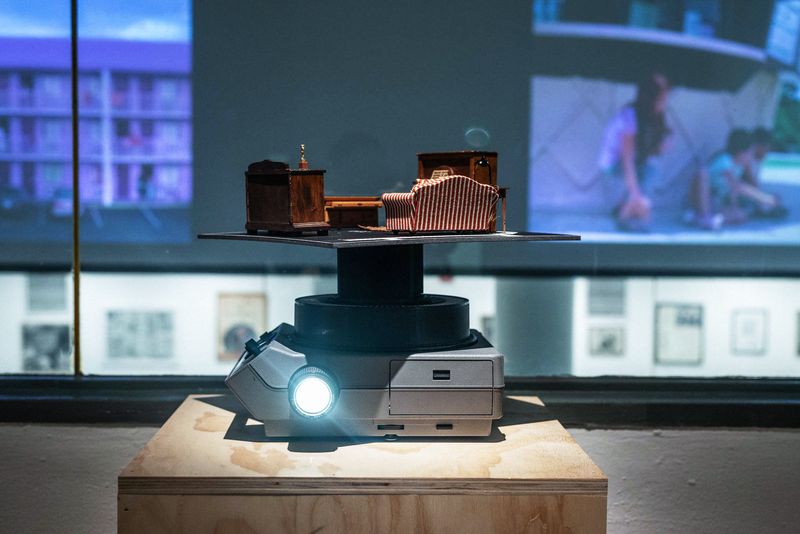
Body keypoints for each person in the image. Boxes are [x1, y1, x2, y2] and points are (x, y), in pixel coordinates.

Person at [598, 72, 672, 232]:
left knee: (652, 167)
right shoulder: (630, 115)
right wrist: (636, 194)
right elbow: (627, 159)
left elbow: (648, 153)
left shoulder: (653, 117)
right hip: (613, 164)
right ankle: (628, 212)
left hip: (633, 162)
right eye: (662, 98)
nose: (665, 103)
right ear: (651, 98)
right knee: (649, 172)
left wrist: (661, 145)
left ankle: (628, 207)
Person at [690, 129, 784, 230]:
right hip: (703, 199)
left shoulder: (738, 166)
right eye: (750, 153)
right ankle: (703, 215)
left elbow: (733, 192)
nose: (751, 157)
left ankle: (708, 218)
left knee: (741, 215)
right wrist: (764, 198)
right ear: (741, 152)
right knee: (702, 173)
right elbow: (738, 186)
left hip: (716, 201)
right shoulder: (724, 161)